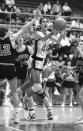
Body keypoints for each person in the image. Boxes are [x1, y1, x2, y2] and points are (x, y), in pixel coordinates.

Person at [18, 17, 67, 120]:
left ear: (49, 24)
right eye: (43, 21)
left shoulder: (49, 32)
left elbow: (58, 41)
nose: (45, 23)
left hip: (41, 62)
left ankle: (20, 91)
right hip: (35, 60)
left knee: (32, 82)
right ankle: (25, 98)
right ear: (40, 24)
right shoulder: (38, 32)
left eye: (47, 21)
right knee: (37, 86)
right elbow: (44, 38)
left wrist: (61, 33)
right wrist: (53, 32)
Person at [0, 8, 41, 124]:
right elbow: (24, 28)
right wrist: (34, 19)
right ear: (6, 32)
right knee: (14, 92)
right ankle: (17, 117)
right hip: (9, 67)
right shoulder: (12, 39)